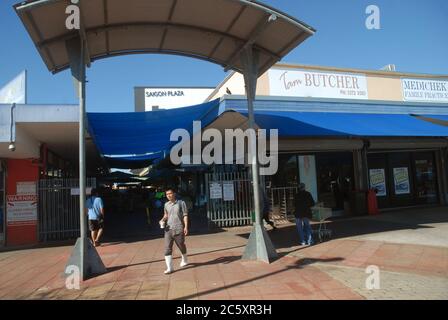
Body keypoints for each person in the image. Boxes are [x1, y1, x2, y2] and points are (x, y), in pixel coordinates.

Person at [159, 188, 189, 274]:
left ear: (174, 194)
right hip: (168, 229)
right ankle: (170, 268)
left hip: (179, 228)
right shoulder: (166, 204)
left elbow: (185, 215)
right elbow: (166, 215)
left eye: (170, 193)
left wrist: (186, 227)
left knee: (181, 245)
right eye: (167, 194)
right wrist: (162, 220)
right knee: (167, 248)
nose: (168, 195)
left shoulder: (181, 203)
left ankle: (185, 259)